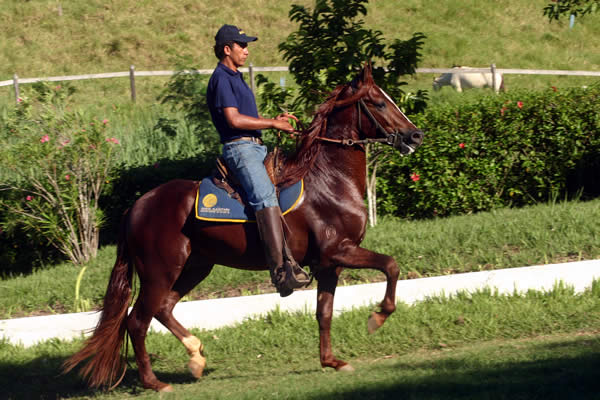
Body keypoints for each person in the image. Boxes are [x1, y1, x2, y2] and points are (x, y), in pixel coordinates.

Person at [206, 24, 310, 297]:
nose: (246, 50)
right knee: (265, 196)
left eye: (246, 45)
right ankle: (280, 272)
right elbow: (234, 120)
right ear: (227, 49)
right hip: (239, 149)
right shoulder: (221, 78)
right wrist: (273, 124)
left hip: (256, 147)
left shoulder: (236, 77)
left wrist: (276, 122)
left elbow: (248, 117)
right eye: (242, 45)